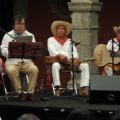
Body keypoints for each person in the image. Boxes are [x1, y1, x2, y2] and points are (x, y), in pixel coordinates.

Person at [1, 15, 39, 101]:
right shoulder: (7, 35)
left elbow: (34, 49)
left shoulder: (30, 35)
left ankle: (30, 93)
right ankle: (20, 93)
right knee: (11, 71)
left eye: (22, 24)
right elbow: (2, 49)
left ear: (25, 25)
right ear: (13, 25)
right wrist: (8, 52)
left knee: (34, 69)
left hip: (26, 62)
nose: (19, 26)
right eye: (17, 24)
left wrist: (30, 53)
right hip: (12, 62)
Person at [47, 21, 89, 96]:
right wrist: (62, 56)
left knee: (85, 66)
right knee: (55, 65)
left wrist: (75, 59)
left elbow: (74, 52)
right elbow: (52, 52)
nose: (61, 30)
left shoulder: (70, 41)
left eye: (63, 29)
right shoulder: (51, 40)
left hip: (70, 63)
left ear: (65, 31)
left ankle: (83, 88)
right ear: (56, 30)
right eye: (59, 28)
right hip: (59, 62)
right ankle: (57, 88)